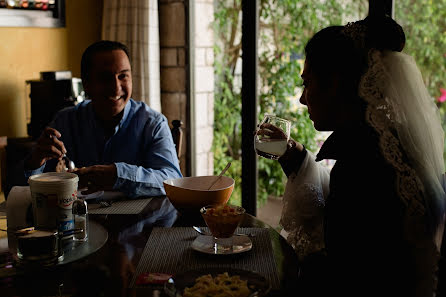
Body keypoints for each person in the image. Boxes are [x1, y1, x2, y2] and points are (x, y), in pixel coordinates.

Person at [258, 16, 446, 297]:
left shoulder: (362, 166)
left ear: (335, 83)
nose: (302, 99)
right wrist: (293, 155)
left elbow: (344, 275)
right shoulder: (389, 143)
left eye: (306, 83)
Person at [23, 40, 182, 198]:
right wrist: (37, 160)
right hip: (78, 220)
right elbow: (24, 189)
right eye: (105, 78)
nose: (116, 87)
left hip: (138, 222)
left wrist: (118, 175)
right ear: (86, 84)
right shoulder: (65, 121)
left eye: (123, 76)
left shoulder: (152, 123)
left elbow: (172, 180)